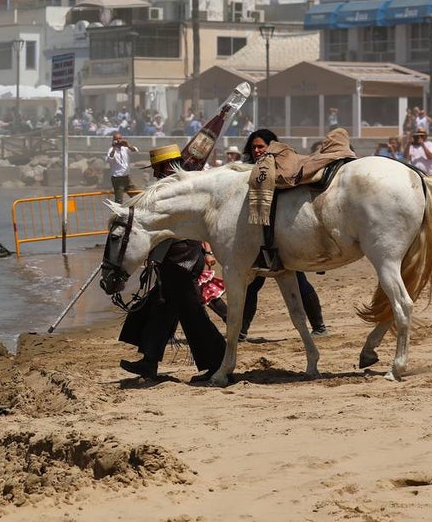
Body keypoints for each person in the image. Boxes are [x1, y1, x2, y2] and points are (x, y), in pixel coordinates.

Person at [117, 144, 226, 383]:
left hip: (182, 259)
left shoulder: (179, 189)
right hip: (175, 258)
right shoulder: (173, 187)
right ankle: (149, 361)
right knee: (161, 307)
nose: (155, 173)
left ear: (165, 165)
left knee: (192, 314)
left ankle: (219, 362)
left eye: (156, 167)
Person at [239, 129, 328, 340]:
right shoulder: (249, 172)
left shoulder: (284, 171)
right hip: (259, 239)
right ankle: (241, 332)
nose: (257, 151)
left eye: (261, 146)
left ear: (271, 146)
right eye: (254, 148)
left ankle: (319, 326)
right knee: (252, 286)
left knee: (299, 281)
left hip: (282, 238)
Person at [105, 131, 134, 203]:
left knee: (135, 196)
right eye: (116, 139)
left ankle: (132, 212)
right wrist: (114, 148)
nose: (119, 140)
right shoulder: (111, 150)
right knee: (119, 200)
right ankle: (116, 214)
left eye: (120, 138)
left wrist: (128, 145)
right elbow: (109, 160)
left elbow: (135, 151)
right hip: (117, 179)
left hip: (127, 177)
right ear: (113, 140)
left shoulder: (125, 148)